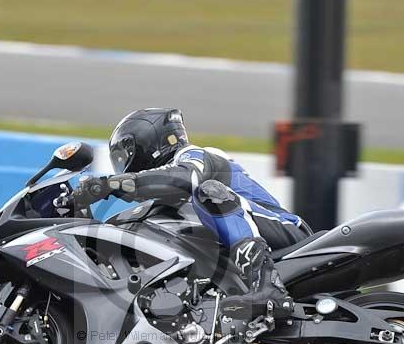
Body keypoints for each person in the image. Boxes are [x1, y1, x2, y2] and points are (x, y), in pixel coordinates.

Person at [71, 108, 308, 320]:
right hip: (260, 237)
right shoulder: (167, 200)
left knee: (208, 193)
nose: (122, 165)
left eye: (123, 157)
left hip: (287, 230)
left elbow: (185, 177)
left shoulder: (193, 155)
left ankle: (267, 286)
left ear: (144, 144)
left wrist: (112, 184)